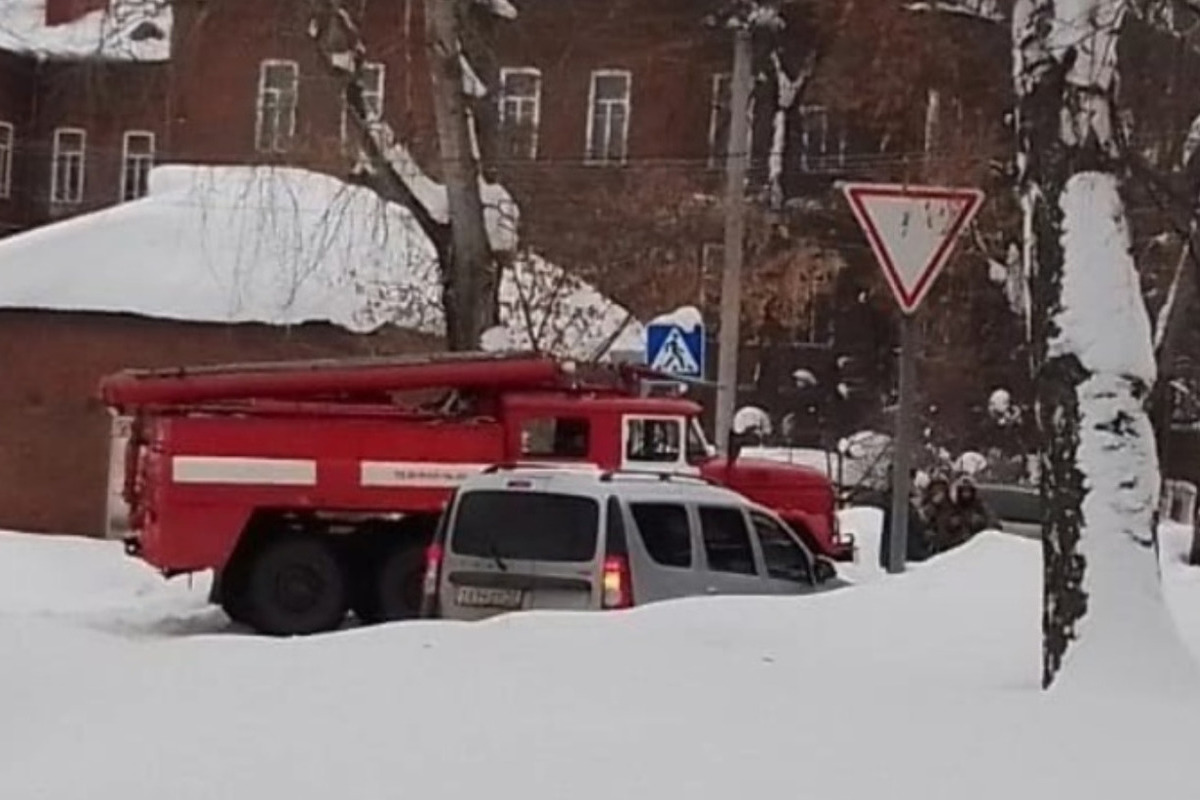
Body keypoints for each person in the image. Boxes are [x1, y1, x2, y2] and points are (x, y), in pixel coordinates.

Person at [945, 478, 999, 548]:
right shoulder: (954, 506)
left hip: (977, 542)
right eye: (963, 491)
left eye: (968, 491)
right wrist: (952, 524)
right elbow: (945, 524)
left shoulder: (979, 505)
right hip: (958, 544)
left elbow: (991, 519)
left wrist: (982, 522)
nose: (966, 494)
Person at [919, 474, 956, 554]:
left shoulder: (952, 506)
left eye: (941, 488)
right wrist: (933, 504)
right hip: (930, 548)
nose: (938, 491)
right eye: (935, 488)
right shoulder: (925, 506)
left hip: (949, 547)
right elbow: (922, 520)